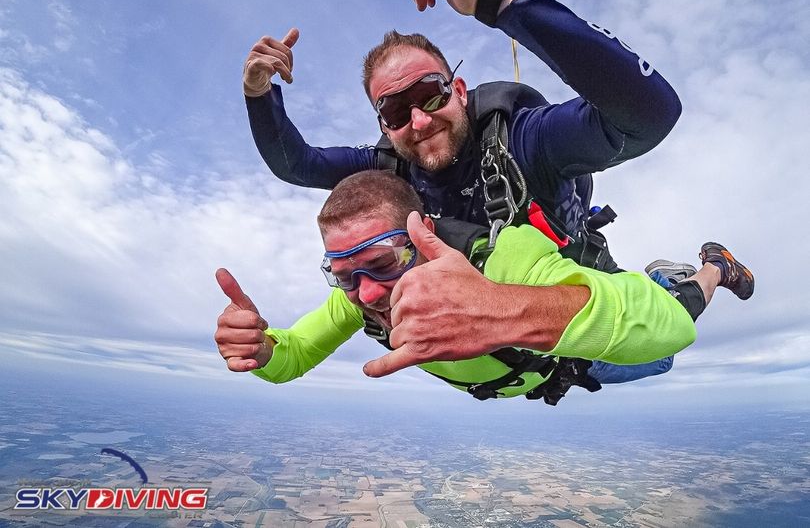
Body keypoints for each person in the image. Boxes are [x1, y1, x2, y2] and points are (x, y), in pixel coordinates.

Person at [240, 0, 753, 382]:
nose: (417, 121)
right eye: (395, 111)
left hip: (574, 297)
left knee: (660, 354)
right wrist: (259, 92)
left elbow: (650, 115)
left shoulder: (524, 142)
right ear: (383, 125)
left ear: (459, 90)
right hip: (534, 361)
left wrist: (497, 1)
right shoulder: (387, 184)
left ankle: (710, 267)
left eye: (430, 95)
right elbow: (298, 165)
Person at [214, 172, 751, 402]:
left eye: (382, 265)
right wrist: (263, 350)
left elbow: (667, 328)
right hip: (533, 378)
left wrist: (499, 310)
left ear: (421, 235)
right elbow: (297, 353)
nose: (368, 293)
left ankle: (707, 266)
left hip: (575, 360)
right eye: (344, 275)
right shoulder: (358, 299)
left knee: (664, 354)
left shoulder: (501, 258)